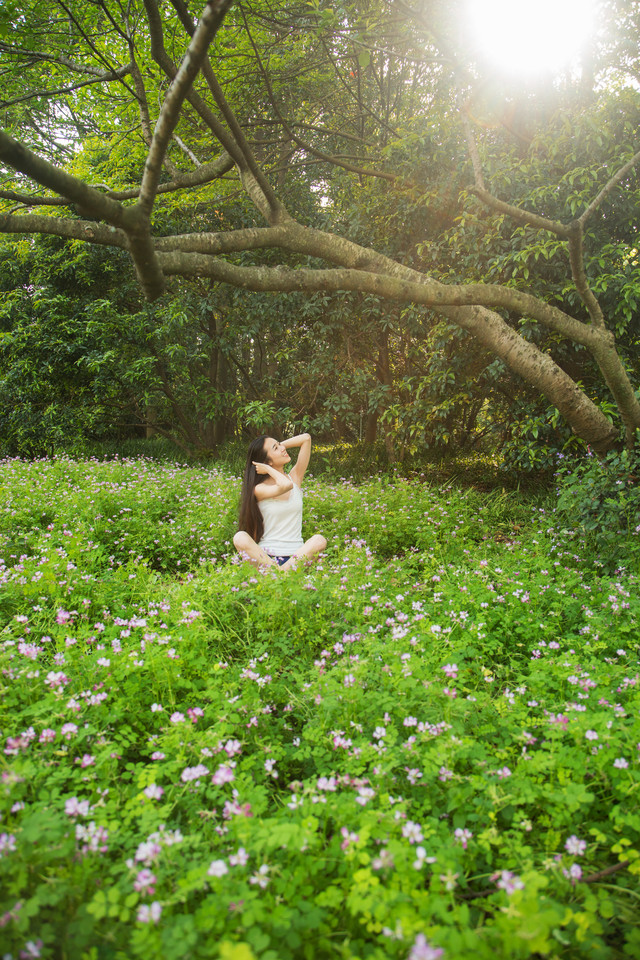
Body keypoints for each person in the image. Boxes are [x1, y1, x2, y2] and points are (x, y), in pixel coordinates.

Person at [233, 433, 326, 571]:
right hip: (266, 558)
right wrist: (269, 469)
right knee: (240, 537)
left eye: (279, 445)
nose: (282, 448)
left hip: (297, 557)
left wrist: (279, 446)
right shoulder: (259, 489)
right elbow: (284, 486)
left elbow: (306, 438)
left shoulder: (295, 478)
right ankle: (282, 573)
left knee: (319, 540)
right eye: (275, 448)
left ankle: (279, 574)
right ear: (267, 462)